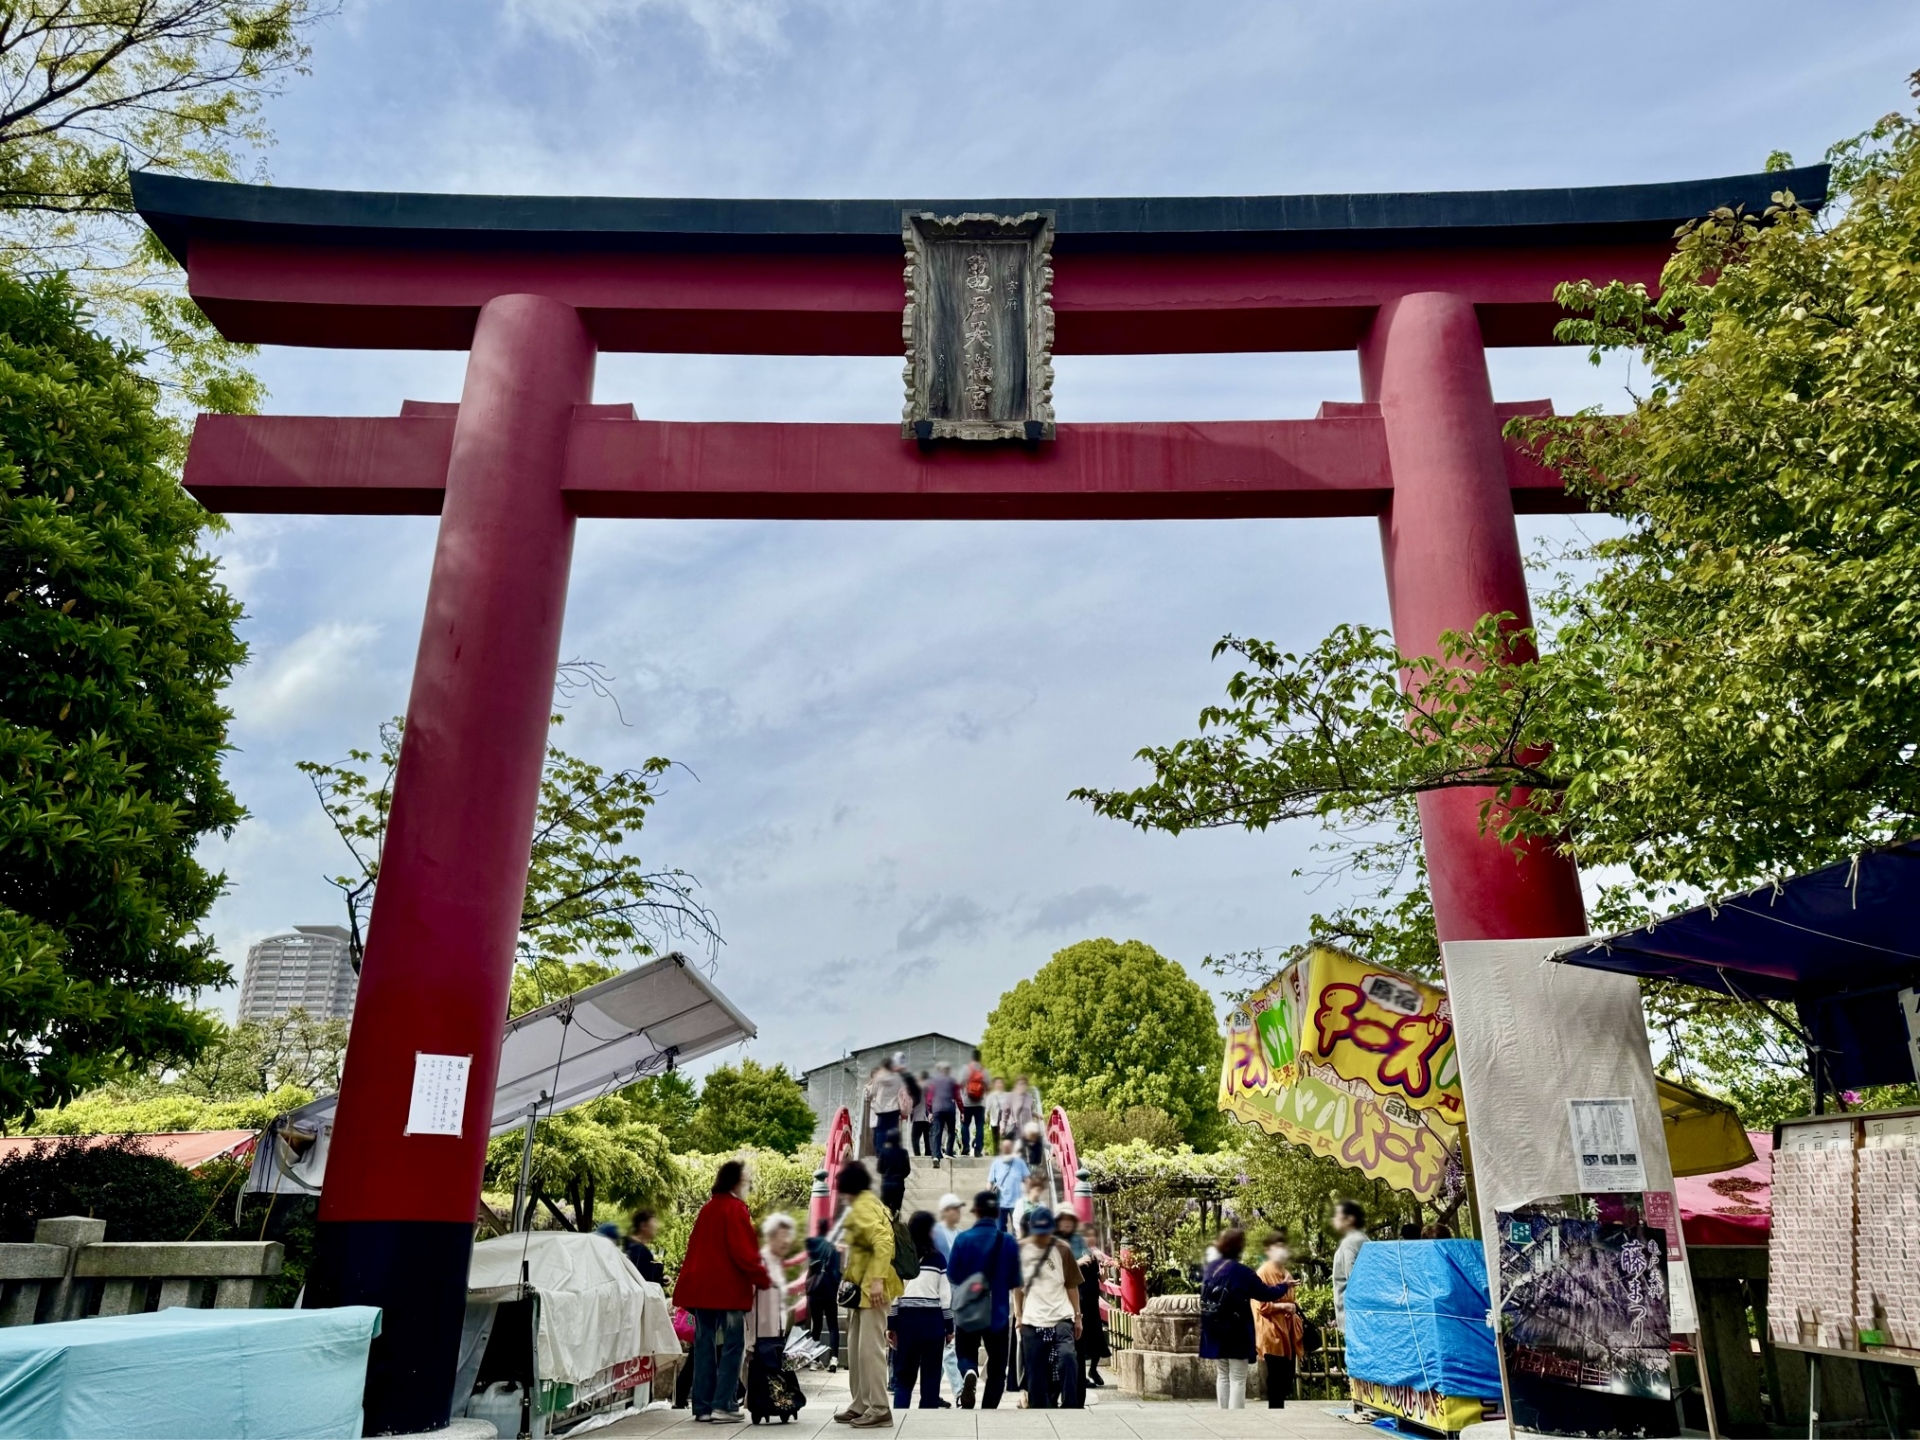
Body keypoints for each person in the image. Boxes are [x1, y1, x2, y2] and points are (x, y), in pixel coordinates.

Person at [672, 1159, 775, 1425]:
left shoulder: (708, 1209)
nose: (748, 1184)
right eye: (746, 1180)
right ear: (736, 1182)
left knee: (704, 1346)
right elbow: (744, 1252)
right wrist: (762, 1278)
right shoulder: (735, 1209)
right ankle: (724, 1404)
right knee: (733, 1346)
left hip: (702, 1292)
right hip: (727, 1290)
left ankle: (703, 1406)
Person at [836, 1160, 903, 1429]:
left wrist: (876, 1281)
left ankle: (878, 1407)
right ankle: (861, 1403)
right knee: (856, 1348)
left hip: (872, 1291)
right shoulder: (870, 1202)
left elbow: (883, 1241)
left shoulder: (862, 1207)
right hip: (863, 1291)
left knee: (869, 1350)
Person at [1199, 1227, 1291, 1410]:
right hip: (1235, 1331)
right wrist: (1284, 1285)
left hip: (1213, 1329)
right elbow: (1265, 1293)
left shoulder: (1211, 1269)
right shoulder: (1242, 1272)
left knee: (1223, 1374)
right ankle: (1236, 1420)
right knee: (1238, 1378)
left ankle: (1223, 1415)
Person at [946, 1191, 1023, 1409]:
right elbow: (1016, 1279)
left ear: (976, 1212)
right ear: (997, 1212)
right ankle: (988, 1408)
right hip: (997, 1312)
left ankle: (969, 1370)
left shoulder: (962, 1239)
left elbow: (952, 1274)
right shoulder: (1008, 1241)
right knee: (998, 1367)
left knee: (965, 1354)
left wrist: (971, 1285)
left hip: (967, 1309)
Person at [1010, 1206, 1082, 1410]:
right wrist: (1018, 1314)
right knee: (1034, 1370)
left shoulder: (1062, 1249)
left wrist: (1077, 1316)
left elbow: (1071, 1285)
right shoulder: (1021, 1249)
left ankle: (1070, 1405)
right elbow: (1018, 1287)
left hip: (1061, 1315)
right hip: (1032, 1318)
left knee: (1068, 1357)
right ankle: (1038, 1407)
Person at [887, 1210, 951, 1410]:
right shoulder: (939, 1259)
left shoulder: (900, 1258)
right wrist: (949, 1327)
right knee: (931, 1375)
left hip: (907, 1322)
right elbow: (946, 1297)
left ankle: (900, 1413)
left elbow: (894, 1295)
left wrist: (891, 1324)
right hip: (933, 1323)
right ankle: (928, 1417)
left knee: (904, 1375)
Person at [1055, 1210, 1110, 1391]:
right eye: (1087, 1236)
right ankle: (1081, 1375)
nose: (1090, 1240)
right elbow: (1063, 1273)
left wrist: (1104, 1271)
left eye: (1092, 1236)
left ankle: (1093, 1370)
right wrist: (1078, 1262)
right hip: (1078, 1301)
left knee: (1096, 1338)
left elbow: (1102, 1280)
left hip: (1092, 1302)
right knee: (1080, 1341)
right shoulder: (1068, 1249)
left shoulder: (1094, 1255)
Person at [1253, 1229, 1303, 1409]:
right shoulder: (1263, 1273)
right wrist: (1284, 1307)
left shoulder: (1285, 1272)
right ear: (1268, 1250)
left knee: (1285, 1380)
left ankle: (1280, 1413)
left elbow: (1291, 1301)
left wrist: (1292, 1307)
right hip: (1271, 1332)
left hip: (1287, 1332)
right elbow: (1262, 1306)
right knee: (1275, 1378)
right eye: (1277, 1247)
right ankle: (1275, 1413)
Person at [804, 1217, 843, 1373]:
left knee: (817, 1326)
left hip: (814, 1289)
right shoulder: (833, 1247)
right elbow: (836, 1270)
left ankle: (815, 1360)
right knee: (833, 1324)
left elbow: (810, 1267)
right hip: (829, 1289)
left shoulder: (811, 1244)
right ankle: (834, 1359)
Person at [1330, 1200, 1369, 1332]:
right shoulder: (1365, 1239)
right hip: (1368, 1316)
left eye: (1337, 1215)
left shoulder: (1349, 1244)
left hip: (1354, 1319)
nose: (1334, 1219)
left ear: (1350, 1219)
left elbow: (1354, 1282)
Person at [988, 1137, 1029, 1233]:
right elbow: (990, 1181)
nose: (1007, 1149)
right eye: (1005, 1147)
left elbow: (1027, 1180)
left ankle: (1016, 1247)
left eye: (1009, 1147)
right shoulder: (996, 1163)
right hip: (1000, 1203)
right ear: (1002, 1148)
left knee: (1018, 1230)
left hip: (1017, 1203)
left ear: (1012, 1148)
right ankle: (1003, 1247)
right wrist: (987, 1196)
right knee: (1000, 1230)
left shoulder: (1020, 1162)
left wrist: (1029, 1196)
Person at [867, 1058, 907, 1153]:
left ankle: (880, 1152)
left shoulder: (878, 1078)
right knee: (894, 1130)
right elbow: (902, 1091)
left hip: (881, 1109)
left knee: (881, 1131)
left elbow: (873, 1092)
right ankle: (894, 1151)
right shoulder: (898, 1078)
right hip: (894, 1108)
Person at [927, 1061, 962, 1158]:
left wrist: (930, 1111)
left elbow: (929, 1098)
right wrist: (962, 1111)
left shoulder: (933, 1082)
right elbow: (958, 1097)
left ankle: (936, 1155)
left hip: (937, 1109)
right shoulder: (952, 1081)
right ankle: (949, 1152)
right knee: (951, 1131)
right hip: (950, 1109)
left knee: (937, 1132)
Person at [960, 1050, 990, 1157]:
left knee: (964, 1125)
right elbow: (989, 1087)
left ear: (971, 1058)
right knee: (979, 1126)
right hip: (980, 1104)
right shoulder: (984, 1071)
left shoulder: (965, 1069)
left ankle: (966, 1147)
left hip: (966, 1103)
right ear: (980, 1058)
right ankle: (978, 1150)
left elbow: (960, 1084)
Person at [624, 1208, 667, 1284]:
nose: (657, 1226)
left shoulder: (628, 1245)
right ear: (643, 1225)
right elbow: (644, 1283)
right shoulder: (640, 1251)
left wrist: (662, 1279)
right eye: (654, 1221)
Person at [876, 1129, 912, 1215]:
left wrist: (885, 1174)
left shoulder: (883, 1151)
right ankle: (895, 1225)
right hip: (898, 1184)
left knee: (884, 1210)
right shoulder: (903, 1152)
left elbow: (879, 1168)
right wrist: (901, 1176)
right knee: (896, 1210)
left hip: (886, 1183)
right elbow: (907, 1170)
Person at [1003, 1075, 1039, 1141]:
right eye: (1020, 1084)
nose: (1022, 1086)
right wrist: (1003, 1127)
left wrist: (1037, 1115)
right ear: (1016, 1085)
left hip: (1027, 1129)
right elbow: (1005, 1113)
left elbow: (1030, 1111)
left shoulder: (1029, 1098)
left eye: (1024, 1084)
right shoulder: (1011, 1097)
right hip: (1015, 1128)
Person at [1014, 1170, 1047, 1238]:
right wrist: (1020, 1232)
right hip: (1023, 1235)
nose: (1039, 1193)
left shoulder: (1042, 1205)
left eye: (1041, 1190)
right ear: (1031, 1189)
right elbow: (1016, 1220)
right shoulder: (1021, 1203)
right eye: (1037, 1190)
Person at [933, 1194, 965, 1259]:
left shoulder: (962, 1235)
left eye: (959, 1208)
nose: (959, 1211)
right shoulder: (934, 1232)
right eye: (955, 1208)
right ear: (945, 1210)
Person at [984, 1076, 1011, 1152]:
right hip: (995, 1120)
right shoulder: (991, 1096)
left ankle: (1006, 1154)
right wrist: (985, 1114)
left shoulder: (1007, 1095)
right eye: (997, 1083)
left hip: (1006, 1121)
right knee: (996, 1140)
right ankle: (997, 1156)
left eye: (1000, 1083)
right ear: (994, 1085)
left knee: (1006, 1139)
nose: (999, 1084)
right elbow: (987, 1107)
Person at [910, 1070, 932, 1155]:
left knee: (915, 1138)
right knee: (927, 1138)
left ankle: (917, 1155)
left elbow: (913, 1100)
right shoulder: (931, 1087)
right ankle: (928, 1154)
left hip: (918, 1116)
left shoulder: (917, 1087)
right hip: (928, 1116)